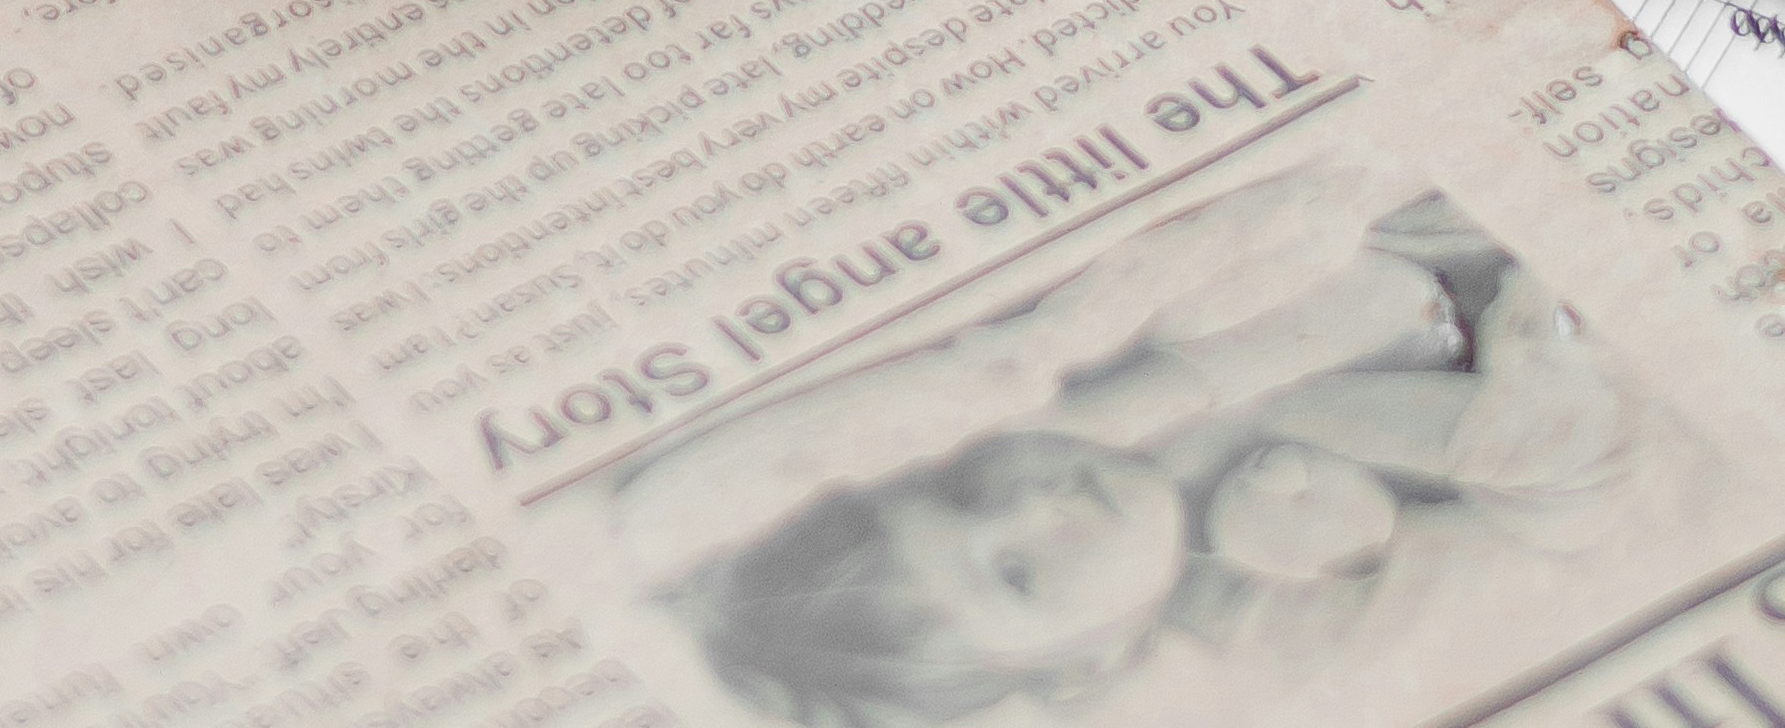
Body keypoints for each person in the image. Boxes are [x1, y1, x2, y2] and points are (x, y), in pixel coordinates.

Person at [608, 172, 1639, 728]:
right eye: (1014, 573)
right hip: (1540, 355)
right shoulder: (1247, 618)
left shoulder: (1127, 376)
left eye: (966, 487)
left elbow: (1297, 218)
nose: (1033, 504)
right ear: (1084, 666)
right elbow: (1547, 547)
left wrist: (1139, 391)